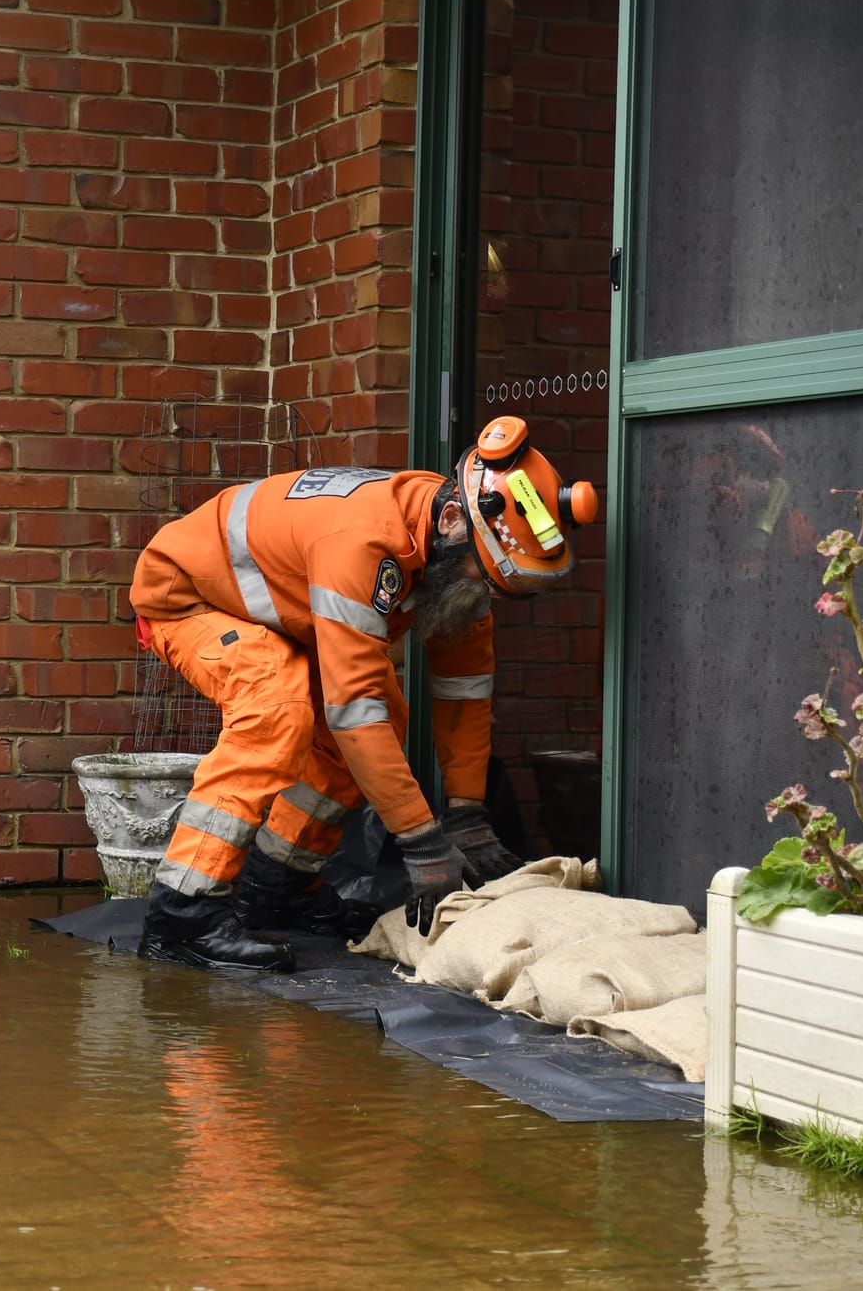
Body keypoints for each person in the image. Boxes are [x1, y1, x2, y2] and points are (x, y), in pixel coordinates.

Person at [128, 415, 599, 972]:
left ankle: (276, 887)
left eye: (499, 586)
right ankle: (182, 915)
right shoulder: (363, 543)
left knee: (384, 718)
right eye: (485, 576)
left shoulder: (457, 552)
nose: (486, 594)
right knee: (276, 709)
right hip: (188, 597)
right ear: (452, 519)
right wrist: (421, 841)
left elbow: (464, 694)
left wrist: (467, 812)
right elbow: (353, 712)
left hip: (283, 614)